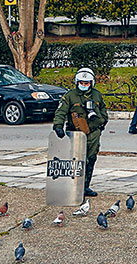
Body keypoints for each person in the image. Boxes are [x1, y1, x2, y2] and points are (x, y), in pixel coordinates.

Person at [52, 67, 108, 198]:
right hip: (75, 133)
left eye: (86, 83)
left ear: (91, 83)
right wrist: (58, 126)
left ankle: (86, 185)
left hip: (93, 133)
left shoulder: (97, 94)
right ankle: (73, 185)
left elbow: (103, 109)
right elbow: (61, 112)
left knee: (91, 158)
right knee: (76, 160)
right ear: (77, 82)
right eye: (81, 83)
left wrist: (103, 122)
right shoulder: (70, 95)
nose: (84, 85)